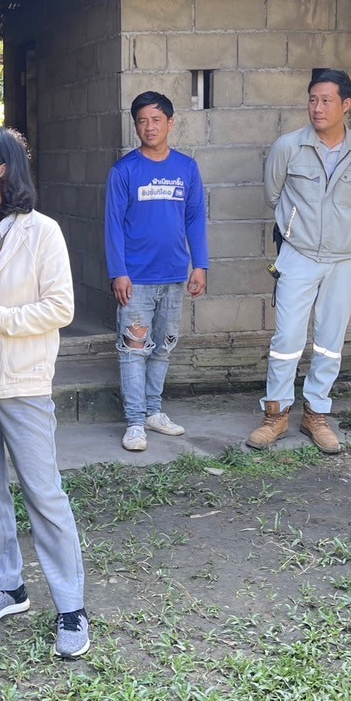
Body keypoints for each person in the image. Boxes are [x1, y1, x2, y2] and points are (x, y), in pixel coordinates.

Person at [0, 126, 90, 659]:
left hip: (23, 382)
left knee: (43, 492)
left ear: (3, 169)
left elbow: (62, 307)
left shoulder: (41, 232)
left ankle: (72, 607)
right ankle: (8, 585)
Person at [247, 68, 351, 454]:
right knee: (286, 339)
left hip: (344, 259)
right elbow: (273, 195)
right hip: (298, 255)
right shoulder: (288, 146)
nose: (317, 108)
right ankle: (276, 414)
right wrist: (295, 227)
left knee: (330, 341)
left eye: (326, 100)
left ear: (346, 105)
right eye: (312, 99)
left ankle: (316, 415)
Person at [104, 91, 209, 453]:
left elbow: (195, 219)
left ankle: (153, 412)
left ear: (170, 123)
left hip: (175, 275)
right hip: (136, 278)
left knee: (163, 347)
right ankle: (134, 422)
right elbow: (113, 225)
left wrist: (201, 265)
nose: (148, 127)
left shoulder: (186, 168)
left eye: (155, 120)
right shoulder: (124, 171)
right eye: (142, 121)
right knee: (133, 349)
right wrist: (119, 272)